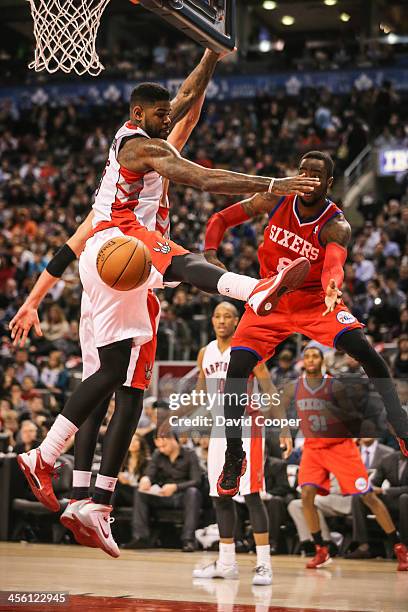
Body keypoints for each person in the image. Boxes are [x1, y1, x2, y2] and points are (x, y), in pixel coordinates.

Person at [12, 50, 316, 557]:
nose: (169, 119)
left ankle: (89, 499)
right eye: (161, 115)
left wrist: (210, 53)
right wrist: (273, 184)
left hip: (131, 271)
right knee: (175, 266)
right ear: (138, 117)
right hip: (116, 249)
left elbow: (189, 103)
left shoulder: (156, 147)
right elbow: (200, 177)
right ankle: (256, 289)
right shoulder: (137, 149)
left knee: (124, 381)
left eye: (168, 117)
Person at [203, 150, 408, 501]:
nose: (309, 178)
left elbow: (334, 261)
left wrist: (332, 283)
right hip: (272, 296)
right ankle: (234, 454)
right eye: (304, 171)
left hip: (316, 301)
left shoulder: (335, 223)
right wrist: (209, 252)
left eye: (317, 174)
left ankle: (398, 419)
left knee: (363, 349)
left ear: (329, 183)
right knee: (236, 370)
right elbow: (220, 220)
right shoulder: (276, 197)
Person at [160, 302, 291, 584]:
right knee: (221, 496)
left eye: (228, 316)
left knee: (253, 494)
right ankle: (227, 562)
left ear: (236, 321)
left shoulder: (248, 350)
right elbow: (199, 395)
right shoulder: (205, 353)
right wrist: (171, 417)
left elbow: (269, 390)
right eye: (217, 316)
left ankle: (264, 564)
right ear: (212, 320)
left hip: (247, 426)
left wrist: (283, 426)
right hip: (219, 429)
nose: (222, 320)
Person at [278, 346, 407, 570]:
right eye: (306, 356)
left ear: (322, 361)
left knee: (367, 496)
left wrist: (332, 412)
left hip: (340, 447)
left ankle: (399, 548)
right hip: (313, 449)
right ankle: (321, 549)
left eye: (314, 356)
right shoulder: (295, 387)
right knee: (306, 494)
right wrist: (284, 431)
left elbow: (354, 418)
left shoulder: (334, 386)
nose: (310, 359)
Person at [124, 432, 203, 553]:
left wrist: (176, 487)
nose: (161, 449)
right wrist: (146, 479)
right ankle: (141, 537)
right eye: (158, 446)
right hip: (162, 495)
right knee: (140, 492)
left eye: (164, 446)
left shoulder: (190, 455)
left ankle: (188, 540)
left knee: (193, 492)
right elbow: (150, 473)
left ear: (172, 440)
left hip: (182, 496)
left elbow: (197, 481)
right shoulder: (158, 454)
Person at [348, 450, 408, 570]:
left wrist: (385, 491)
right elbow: (375, 483)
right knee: (360, 497)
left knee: (404, 498)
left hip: (404, 499)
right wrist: (369, 489)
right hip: (393, 501)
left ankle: (405, 546)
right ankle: (363, 545)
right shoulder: (388, 459)